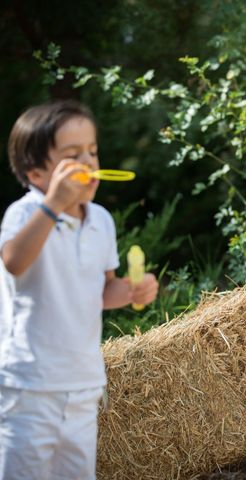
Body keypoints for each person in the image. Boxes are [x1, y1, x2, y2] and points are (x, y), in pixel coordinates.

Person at [0, 99, 159, 479]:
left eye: (92, 151)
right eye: (73, 156)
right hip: (30, 386)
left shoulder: (100, 221)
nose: (89, 163)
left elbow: (103, 293)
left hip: (84, 384)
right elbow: (13, 262)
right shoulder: (26, 214)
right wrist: (55, 204)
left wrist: (133, 290)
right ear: (36, 173)